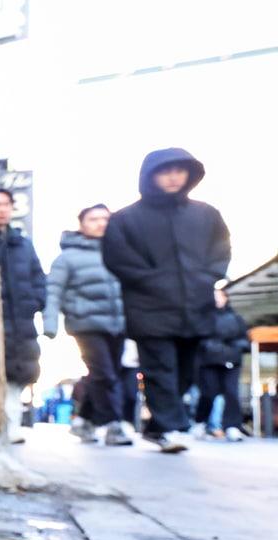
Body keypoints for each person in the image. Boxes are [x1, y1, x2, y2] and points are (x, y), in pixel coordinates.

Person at [101, 148, 231, 453]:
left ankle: (158, 427)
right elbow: (117, 258)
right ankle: (171, 428)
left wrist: (208, 276)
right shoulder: (125, 219)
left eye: (179, 170)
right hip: (149, 309)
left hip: (195, 306)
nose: (173, 176)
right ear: (150, 175)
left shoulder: (207, 214)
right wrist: (151, 281)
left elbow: (222, 249)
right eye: (165, 170)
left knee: (187, 372)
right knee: (160, 369)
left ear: (189, 174)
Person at [43, 204, 132, 446]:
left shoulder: (120, 253)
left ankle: (83, 421)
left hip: (118, 324)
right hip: (85, 324)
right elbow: (53, 291)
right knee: (105, 374)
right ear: (82, 224)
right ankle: (113, 425)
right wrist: (49, 323)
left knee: (106, 373)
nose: (101, 223)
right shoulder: (67, 258)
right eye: (94, 219)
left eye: (105, 218)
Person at [0, 188, 46, 444]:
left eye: (6, 204)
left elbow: (38, 278)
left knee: (15, 377)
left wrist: (36, 303)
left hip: (20, 322)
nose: (1, 209)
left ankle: (11, 427)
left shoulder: (23, 244)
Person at [195, 287, 250, 441]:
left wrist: (234, 348)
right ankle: (200, 422)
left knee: (232, 393)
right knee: (208, 393)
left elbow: (244, 339)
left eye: (219, 296)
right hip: (209, 361)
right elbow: (198, 339)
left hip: (231, 360)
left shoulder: (236, 318)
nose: (217, 299)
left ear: (226, 298)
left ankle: (232, 426)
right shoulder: (203, 319)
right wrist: (211, 347)